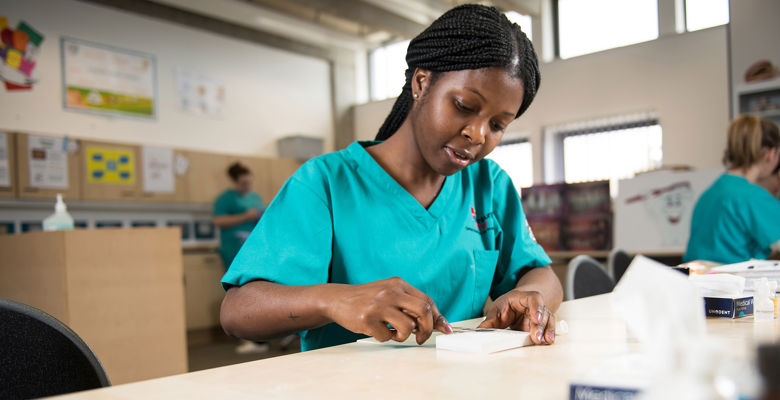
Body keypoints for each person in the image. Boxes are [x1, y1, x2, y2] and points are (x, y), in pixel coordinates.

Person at [220, 4, 563, 352]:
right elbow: (237, 311)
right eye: (463, 106)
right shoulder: (325, 184)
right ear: (421, 82)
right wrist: (336, 300)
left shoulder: (488, 185)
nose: (477, 134)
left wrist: (528, 296)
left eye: (497, 125)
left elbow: (541, 274)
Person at [684, 116, 780, 264]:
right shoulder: (753, 196)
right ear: (771, 154)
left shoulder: (710, 193)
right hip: (733, 282)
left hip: (694, 281)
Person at [212, 162, 268, 354]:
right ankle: (251, 337)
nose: (247, 187)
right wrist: (245, 216)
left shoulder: (255, 197)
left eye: (249, 182)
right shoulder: (225, 199)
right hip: (234, 249)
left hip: (253, 250)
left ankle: (259, 338)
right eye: (243, 183)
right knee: (239, 293)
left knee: (257, 291)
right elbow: (218, 220)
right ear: (235, 182)